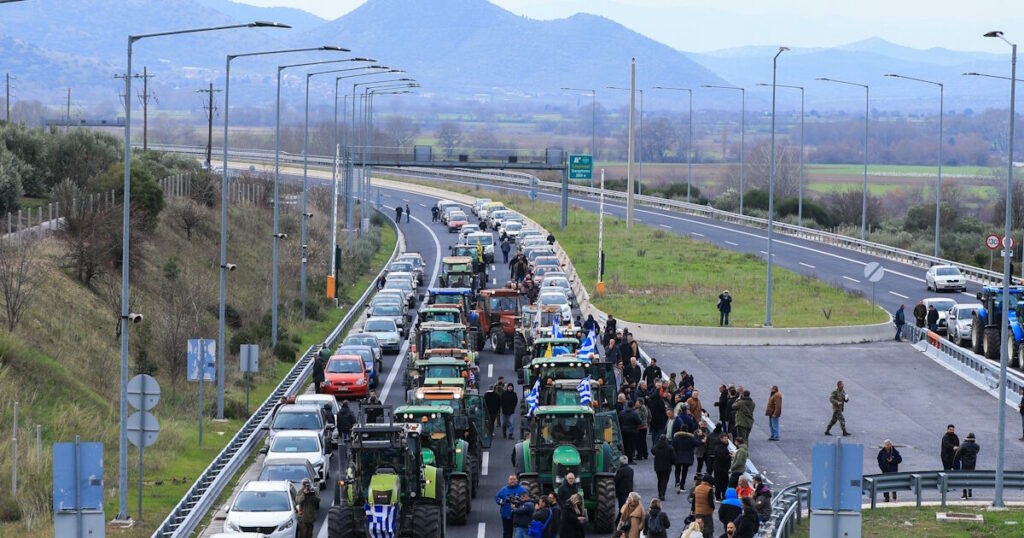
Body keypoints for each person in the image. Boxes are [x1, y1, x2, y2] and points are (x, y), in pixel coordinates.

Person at [672, 426, 704, 494]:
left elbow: (672, 447)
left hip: (678, 457)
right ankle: (682, 485)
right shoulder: (690, 438)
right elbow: (698, 443)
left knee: (677, 471)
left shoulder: (676, 438)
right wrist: (700, 437)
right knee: (684, 471)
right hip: (687, 457)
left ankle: (677, 482)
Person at [954, 433, 980, 499]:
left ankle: (964, 494)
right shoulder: (977, 446)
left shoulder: (963, 445)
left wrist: (954, 463)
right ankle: (970, 491)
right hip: (973, 464)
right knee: (971, 477)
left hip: (965, 464)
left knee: (964, 478)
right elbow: (976, 451)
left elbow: (957, 455)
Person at [691, 474, 716, 538]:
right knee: (709, 529)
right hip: (707, 513)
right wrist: (713, 508)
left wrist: (693, 509)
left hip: (698, 512)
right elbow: (710, 502)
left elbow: (694, 500)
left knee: (698, 528)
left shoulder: (697, 488)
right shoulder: (709, 489)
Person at [651, 434, 674, 500]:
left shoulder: (656, 447)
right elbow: (673, 457)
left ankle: (659, 493)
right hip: (667, 467)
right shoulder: (670, 448)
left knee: (659, 480)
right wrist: (672, 463)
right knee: (665, 481)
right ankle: (663, 494)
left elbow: (652, 451)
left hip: (658, 467)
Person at [712, 433, 732, 500]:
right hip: (720, 468)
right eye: (725, 438)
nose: (726, 440)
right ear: (721, 439)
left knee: (724, 482)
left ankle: (722, 495)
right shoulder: (720, 447)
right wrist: (729, 456)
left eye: (727, 438)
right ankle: (718, 497)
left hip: (723, 468)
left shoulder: (723, 446)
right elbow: (721, 457)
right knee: (720, 483)